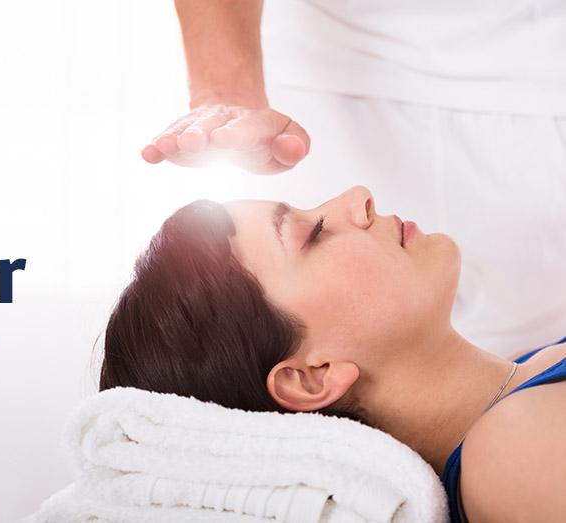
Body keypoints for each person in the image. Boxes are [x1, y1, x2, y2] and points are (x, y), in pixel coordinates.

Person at [100, 186, 565, 523]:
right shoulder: (509, 458)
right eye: (314, 233)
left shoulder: (529, 370)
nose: (358, 198)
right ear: (310, 377)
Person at [141, 1, 566, 357]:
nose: (362, 198)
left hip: (537, 75)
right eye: (314, 230)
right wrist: (227, 94)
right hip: (321, 95)